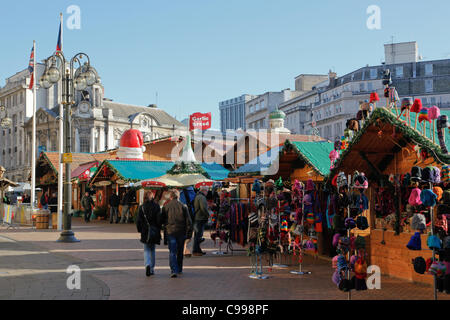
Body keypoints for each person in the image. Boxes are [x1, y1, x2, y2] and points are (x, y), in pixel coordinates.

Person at [161, 190, 192, 278]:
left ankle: (174, 269)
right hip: (181, 231)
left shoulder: (166, 207)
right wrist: (189, 234)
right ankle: (179, 268)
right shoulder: (183, 206)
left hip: (170, 231)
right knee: (180, 251)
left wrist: (165, 227)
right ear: (178, 196)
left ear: (171, 197)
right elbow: (189, 221)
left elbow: (161, 220)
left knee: (172, 251)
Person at [136, 191, 162, 277]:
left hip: (145, 230)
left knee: (146, 249)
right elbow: (159, 220)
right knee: (152, 250)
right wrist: (159, 228)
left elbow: (138, 220)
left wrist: (139, 230)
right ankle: (152, 268)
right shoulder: (156, 206)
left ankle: (147, 264)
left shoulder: (142, 207)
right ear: (152, 197)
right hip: (154, 230)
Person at [192, 187, 210, 256]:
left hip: (197, 218)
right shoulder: (201, 197)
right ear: (204, 191)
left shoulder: (197, 196)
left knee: (197, 235)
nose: (207, 193)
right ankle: (196, 251)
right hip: (200, 218)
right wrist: (207, 215)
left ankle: (198, 250)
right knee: (198, 236)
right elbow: (203, 208)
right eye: (207, 191)